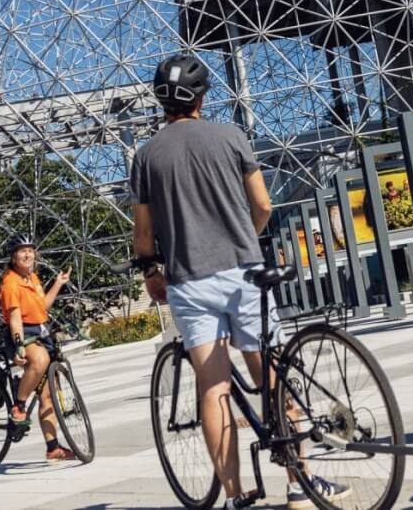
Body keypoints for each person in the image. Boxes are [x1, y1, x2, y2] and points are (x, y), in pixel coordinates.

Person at [130, 54, 350, 510]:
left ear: (160, 99)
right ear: (203, 96)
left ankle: (234, 497)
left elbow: (144, 234)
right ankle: (300, 483)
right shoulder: (231, 136)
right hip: (245, 272)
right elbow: (264, 205)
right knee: (270, 375)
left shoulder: (147, 157)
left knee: (214, 389)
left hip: (190, 281)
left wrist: (152, 271)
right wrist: (242, 238)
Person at [0, 233, 76, 461]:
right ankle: (18, 406)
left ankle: (53, 448)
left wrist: (58, 284)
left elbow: (42, 307)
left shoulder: (32, 278)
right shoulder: (11, 282)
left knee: (48, 396)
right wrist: (19, 345)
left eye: (30, 250)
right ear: (13, 257)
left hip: (40, 329)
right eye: (22, 251)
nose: (28, 254)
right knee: (40, 360)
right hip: (22, 332)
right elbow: (14, 318)